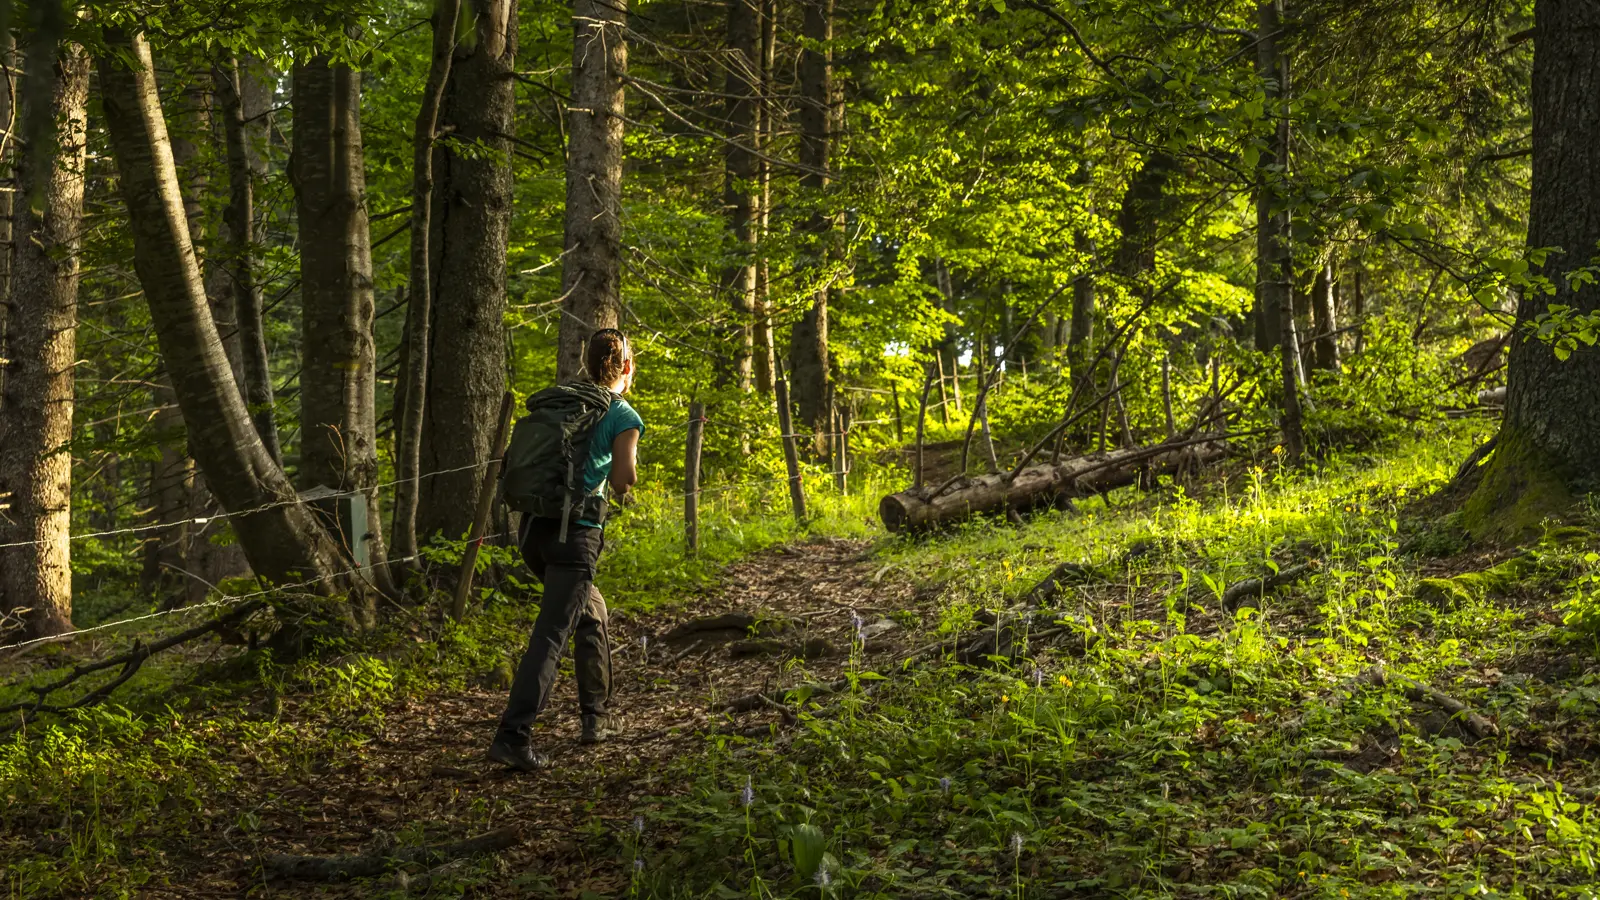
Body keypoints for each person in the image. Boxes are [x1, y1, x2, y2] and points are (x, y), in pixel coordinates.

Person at [488, 329, 643, 772]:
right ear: (626, 366)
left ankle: (596, 717)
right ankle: (513, 736)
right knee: (551, 635)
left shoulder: (561, 400)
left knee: (591, 611)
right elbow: (623, 481)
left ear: (586, 361)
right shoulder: (621, 413)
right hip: (574, 537)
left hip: (533, 532)